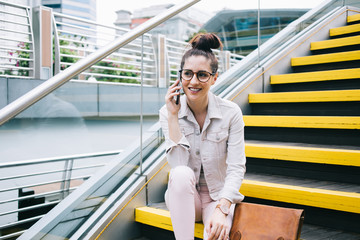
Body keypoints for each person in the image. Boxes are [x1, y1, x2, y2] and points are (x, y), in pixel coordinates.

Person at [159, 33, 246, 240]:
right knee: (179, 173)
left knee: (218, 236)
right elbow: (178, 165)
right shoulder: (167, 112)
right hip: (185, 195)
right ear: (180, 76)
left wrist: (223, 208)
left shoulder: (231, 112)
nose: (193, 81)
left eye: (202, 75)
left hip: (218, 197)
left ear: (214, 78)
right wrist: (173, 116)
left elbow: (236, 167)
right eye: (187, 74)